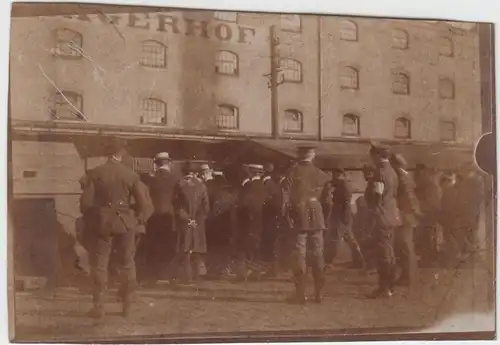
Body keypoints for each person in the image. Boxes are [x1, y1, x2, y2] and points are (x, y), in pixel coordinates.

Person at [80, 140, 152, 318]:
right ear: (120, 155)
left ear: (108, 155)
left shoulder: (95, 174)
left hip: (101, 225)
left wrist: (95, 218)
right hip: (126, 225)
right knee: (127, 264)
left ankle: (99, 307)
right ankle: (127, 307)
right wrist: (137, 220)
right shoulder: (131, 176)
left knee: (99, 265)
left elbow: (85, 204)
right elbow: (145, 206)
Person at [284, 146, 331, 304]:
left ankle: (301, 294)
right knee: (318, 254)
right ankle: (319, 293)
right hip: (318, 218)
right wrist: (324, 218)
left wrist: (287, 216)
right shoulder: (322, 174)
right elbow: (328, 201)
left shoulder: (293, 171)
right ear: (313, 155)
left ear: (299, 155)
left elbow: (285, 197)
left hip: (299, 217)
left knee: (299, 255)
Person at [365, 142, 402, 298]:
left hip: (382, 217)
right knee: (389, 252)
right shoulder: (392, 171)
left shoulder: (380, 173)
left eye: (372, 155)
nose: (371, 158)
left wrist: (373, 212)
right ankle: (390, 286)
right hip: (391, 215)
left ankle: (385, 288)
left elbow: (377, 196)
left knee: (383, 254)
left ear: (378, 156)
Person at [142, 152, 178, 285]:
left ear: (156, 164)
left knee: (153, 246)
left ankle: (153, 276)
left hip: (153, 216)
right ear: (169, 163)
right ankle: (166, 276)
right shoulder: (176, 179)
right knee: (168, 245)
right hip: (169, 217)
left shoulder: (150, 179)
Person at [172, 161, 210, 283]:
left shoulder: (179, 185)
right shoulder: (202, 186)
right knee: (196, 248)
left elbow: (177, 206)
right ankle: (196, 276)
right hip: (198, 223)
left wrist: (188, 219)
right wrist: (197, 220)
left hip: (185, 222)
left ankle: (186, 277)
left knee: (185, 249)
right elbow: (206, 207)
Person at [322, 167, 364, 269]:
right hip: (343, 216)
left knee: (334, 238)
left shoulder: (343, 185)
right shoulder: (337, 184)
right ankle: (359, 260)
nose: (335, 176)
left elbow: (346, 202)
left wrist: (344, 218)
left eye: (337, 174)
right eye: (334, 174)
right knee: (349, 238)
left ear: (341, 175)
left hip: (341, 216)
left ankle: (329, 262)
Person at [390, 153, 421, 287]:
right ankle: (406, 275)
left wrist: (412, 211)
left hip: (404, 215)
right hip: (407, 215)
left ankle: (408, 277)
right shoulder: (406, 175)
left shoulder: (401, 177)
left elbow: (408, 197)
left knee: (405, 247)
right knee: (405, 247)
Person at [235, 164, 268, 281]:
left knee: (244, 248)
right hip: (260, 222)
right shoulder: (264, 187)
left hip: (248, 222)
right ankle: (256, 273)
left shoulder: (248, 186)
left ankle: (243, 274)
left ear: (251, 172)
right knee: (255, 248)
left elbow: (243, 204)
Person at [414, 163, 442, 266]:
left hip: (428, 215)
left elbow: (432, 202)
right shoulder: (426, 185)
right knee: (426, 237)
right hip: (426, 215)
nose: (417, 177)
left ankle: (430, 259)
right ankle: (428, 258)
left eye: (419, 174)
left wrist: (422, 211)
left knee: (428, 237)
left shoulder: (429, 186)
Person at [261, 163, 284, 277]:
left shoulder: (268, 185)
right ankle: (273, 269)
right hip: (274, 218)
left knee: (271, 244)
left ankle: (273, 270)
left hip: (270, 218)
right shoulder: (274, 185)